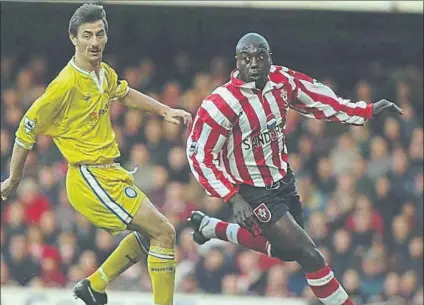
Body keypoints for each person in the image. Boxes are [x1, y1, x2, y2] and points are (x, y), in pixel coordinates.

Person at [186, 32, 402, 305]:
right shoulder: (220, 104)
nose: (253, 64)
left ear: (269, 59)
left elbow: (319, 99)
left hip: (283, 181)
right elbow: (199, 154)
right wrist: (232, 197)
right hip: (252, 192)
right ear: (237, 62)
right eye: (246, 58)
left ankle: (212, 228)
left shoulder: (282, 81)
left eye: (260, 57)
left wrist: (366, 111)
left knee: (288, 252)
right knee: (310, 254)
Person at [0, 4, 192, 305]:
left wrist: (164, 109)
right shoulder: (64, 85)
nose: (94, 41)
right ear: (73, 38)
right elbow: (26, 129)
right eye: (87, 35)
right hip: (88, 176)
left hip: (110, 172)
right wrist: (14, 178)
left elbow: (124, 93)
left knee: (149, 235)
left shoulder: (101, 73)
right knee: (164, 232)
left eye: (99, 34)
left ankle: (94, 285)